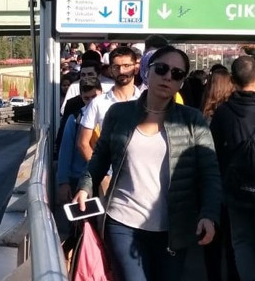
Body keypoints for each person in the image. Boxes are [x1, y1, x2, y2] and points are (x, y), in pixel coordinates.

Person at [74, 45, 221, 281]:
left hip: (173, 229)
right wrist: (85, 187)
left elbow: (210, 173)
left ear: (181, 82)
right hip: (122, 222)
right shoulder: (118, 114)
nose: (167, 77)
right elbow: (99, 159)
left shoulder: (193, 120)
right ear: (147, 71)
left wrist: (209, 214)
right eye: (161, 69)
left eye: (177, 74)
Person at [211, 55, 255, 277]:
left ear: (234, 80)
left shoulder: (223, 112)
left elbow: (215, 153)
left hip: (235, 191)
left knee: (242, 242)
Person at [200, 67, 240, 281]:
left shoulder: (201, 117)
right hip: (231, 187)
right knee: (233, 244)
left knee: (211, 244)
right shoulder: (232, 114)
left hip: (209, 188)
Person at [77, 46, 142, 163]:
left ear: (136, 68)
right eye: (116, 67)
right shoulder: (98, 102)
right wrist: (101, 174)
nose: (122, 71)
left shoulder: (146, 100)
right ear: (111, 70)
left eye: (126, 66)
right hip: (108, 170)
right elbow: (83, 143)